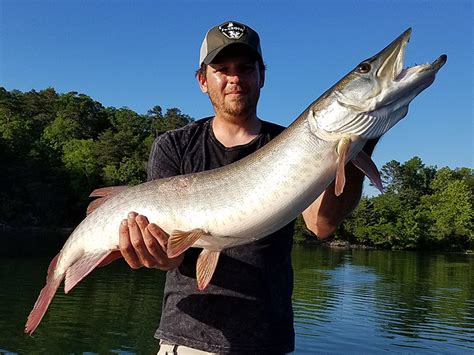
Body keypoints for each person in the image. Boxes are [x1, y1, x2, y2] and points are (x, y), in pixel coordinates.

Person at [119, 20, 377, 354]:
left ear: (262, 76)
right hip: (187, 341)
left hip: (268, 341)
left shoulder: (294, 144)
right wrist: (152, 253)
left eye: (245, 68)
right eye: (222, 69)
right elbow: (172, 256)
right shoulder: (175, 146)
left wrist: (363, 140)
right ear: (203, 80)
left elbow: (321, 224)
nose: (234, 79)